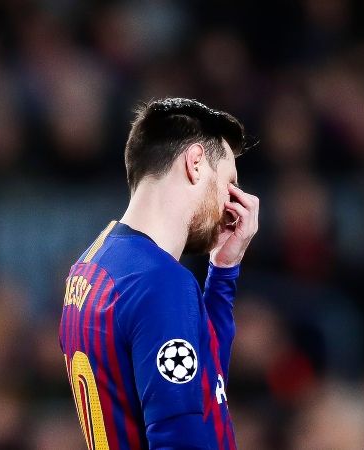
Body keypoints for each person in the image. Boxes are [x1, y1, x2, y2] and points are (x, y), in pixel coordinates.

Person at [59, 98, 259, 449]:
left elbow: (207, 386)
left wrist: (224, 271)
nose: (233, 202)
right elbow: (179, 438)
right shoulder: (160, 281)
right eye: (230, 182)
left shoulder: (93, 263)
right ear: (195, 163)